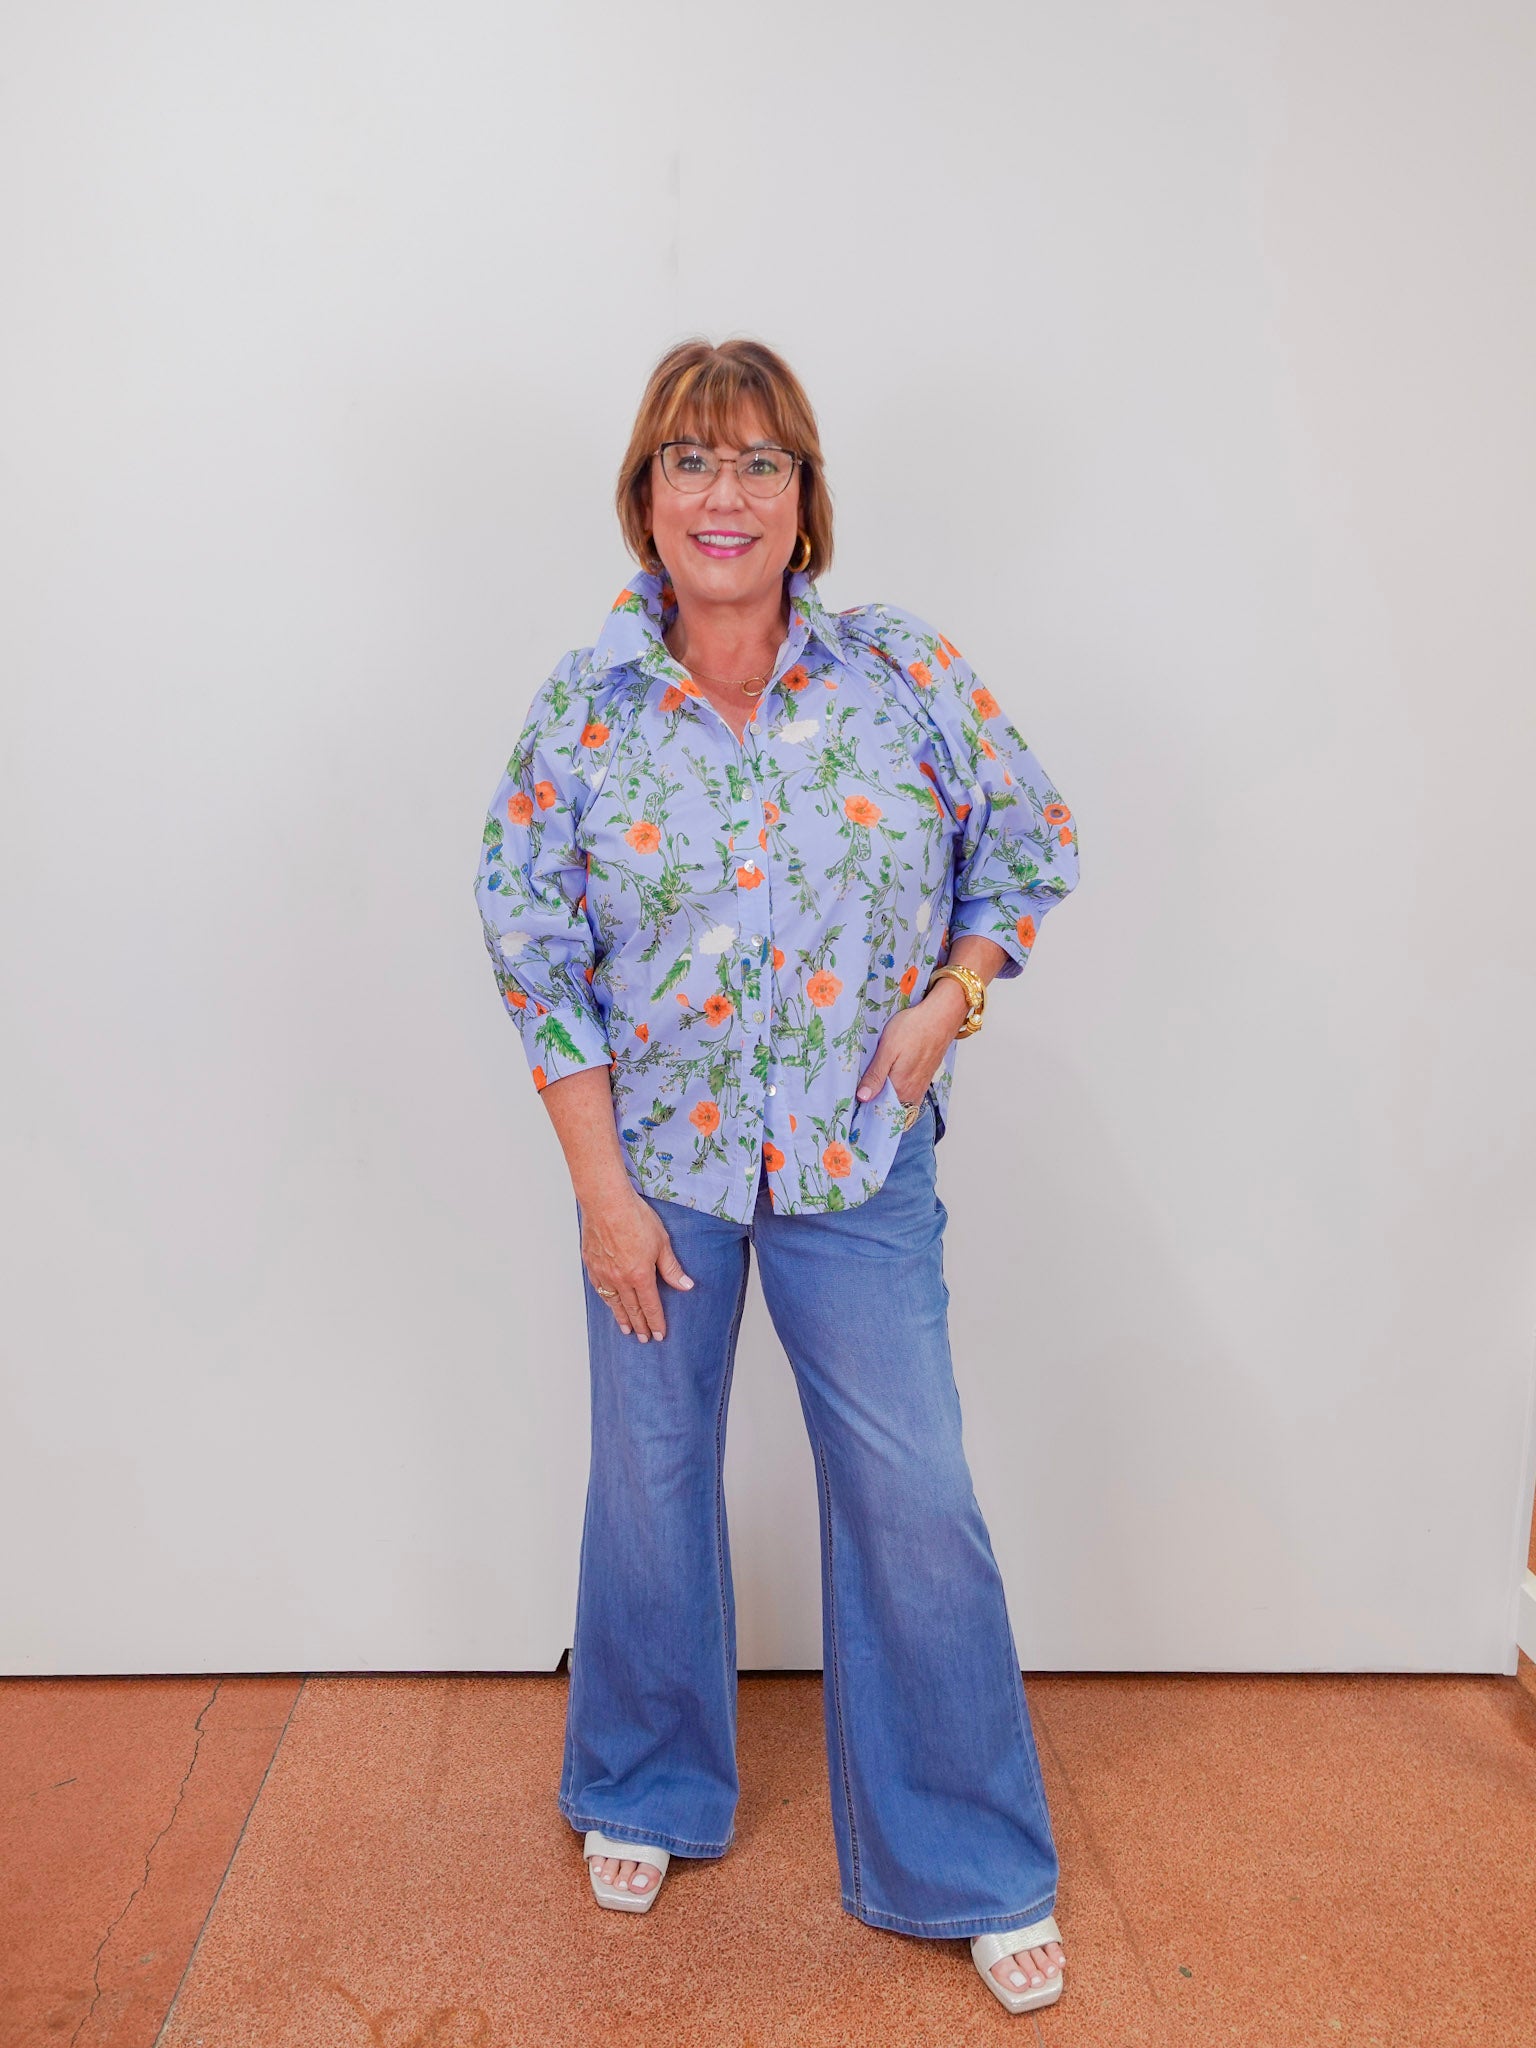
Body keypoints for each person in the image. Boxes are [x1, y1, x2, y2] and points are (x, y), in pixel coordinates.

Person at [473, 336, 1080, 2016]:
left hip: (857, 1161)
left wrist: (951, 1002)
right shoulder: (585, 707)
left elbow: (1028, 841)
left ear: (805, 498)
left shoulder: (901, 673)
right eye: (691, 460)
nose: (723, 493)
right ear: (645, 498)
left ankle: (965, 1857)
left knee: (917, 1493)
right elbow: (532, 948)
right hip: (657, 1169)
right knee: (651, 1475)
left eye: (758, 461)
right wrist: (599, 1194)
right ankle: (644, 1781)